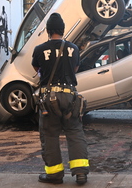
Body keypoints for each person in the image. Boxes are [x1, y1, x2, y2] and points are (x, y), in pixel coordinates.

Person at [32, 13, 89, 185]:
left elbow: (37, 68)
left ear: (48, 31)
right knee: (75, 132)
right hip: (71, 97)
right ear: (63, 30)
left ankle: (55, 175)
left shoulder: (39, 49)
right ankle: (80, 174)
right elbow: (76, 67)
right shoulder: (74, 49)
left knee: (50, 135)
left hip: (49, 98)